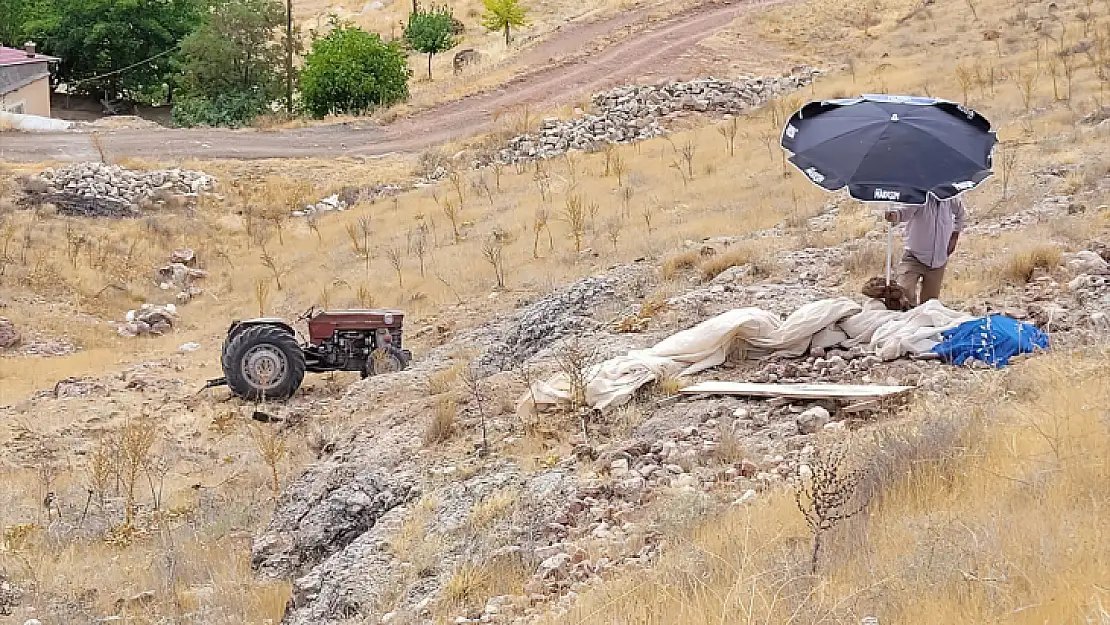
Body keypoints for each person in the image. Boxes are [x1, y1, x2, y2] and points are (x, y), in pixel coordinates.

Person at [885, 193, 966, 307]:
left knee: (929, 305)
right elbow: (904, 212)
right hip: (914, 256)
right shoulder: (919, 196)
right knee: (903, 292)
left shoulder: (951, 197)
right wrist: (894, 216)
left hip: (939, 261)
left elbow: (960, 214)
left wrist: (955, 236)